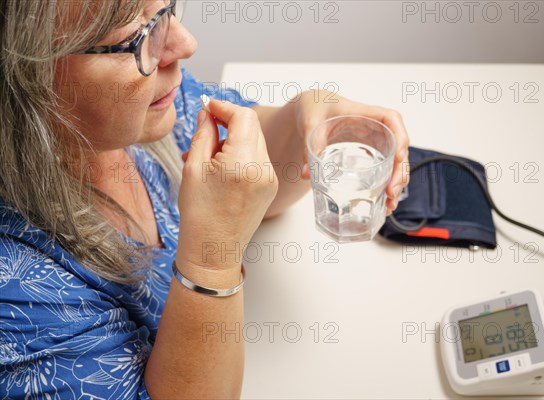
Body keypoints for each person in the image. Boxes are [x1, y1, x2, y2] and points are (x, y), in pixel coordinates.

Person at [0, 0, 409, 398]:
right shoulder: (16, 293)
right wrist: (214, 256)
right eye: (133, 34)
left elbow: (250, 163)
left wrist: (308, 115)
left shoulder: (134, 110)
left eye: (164, 9)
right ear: (24, 77)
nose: (184, 44)